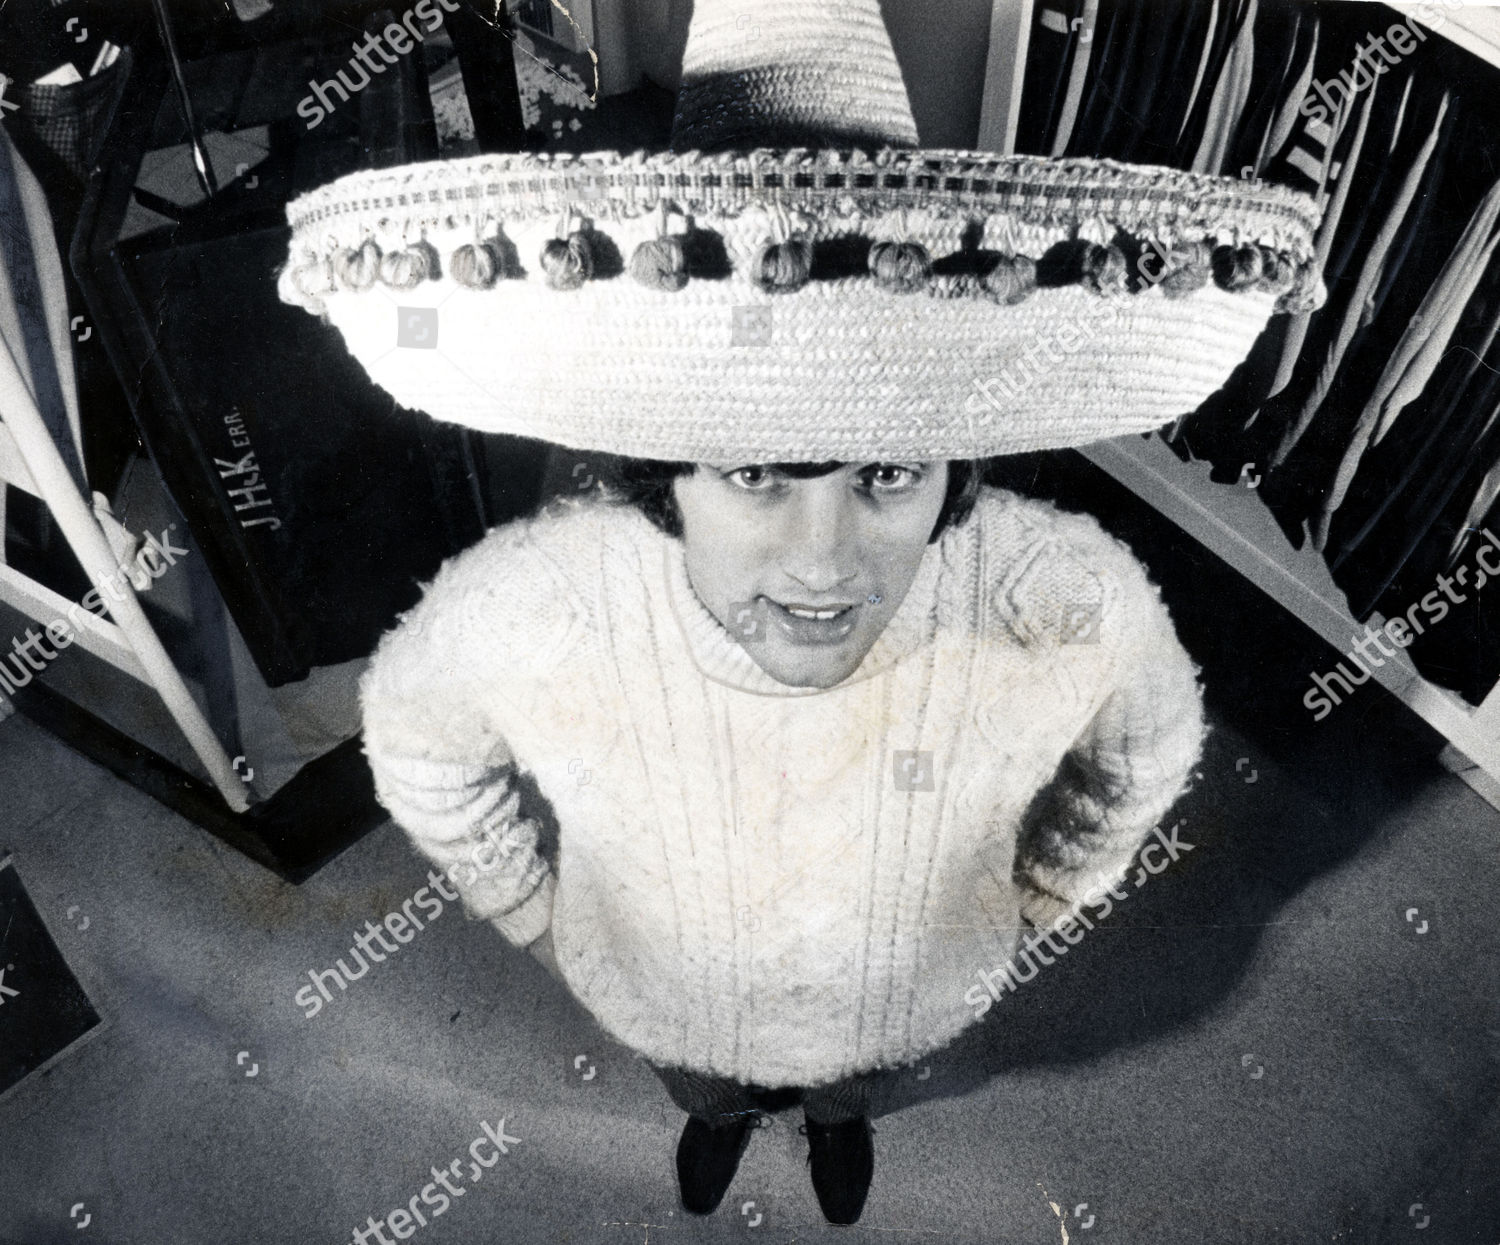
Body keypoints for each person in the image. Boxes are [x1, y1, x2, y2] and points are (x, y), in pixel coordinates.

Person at [279, 0, 1322, 1224]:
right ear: (663, 474)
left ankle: (836, 1126)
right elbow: (417, 731)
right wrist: (530, 908)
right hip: (665, 997)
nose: (824, 564)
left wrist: (1044, 889)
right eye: (756, 475)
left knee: (853, 1089)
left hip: (906, 994)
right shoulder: (542, 603)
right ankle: (717, 1117)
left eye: (886, 475)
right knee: (706, 1086)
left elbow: (1145, 740)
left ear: (955, 469)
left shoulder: (1057, 597)